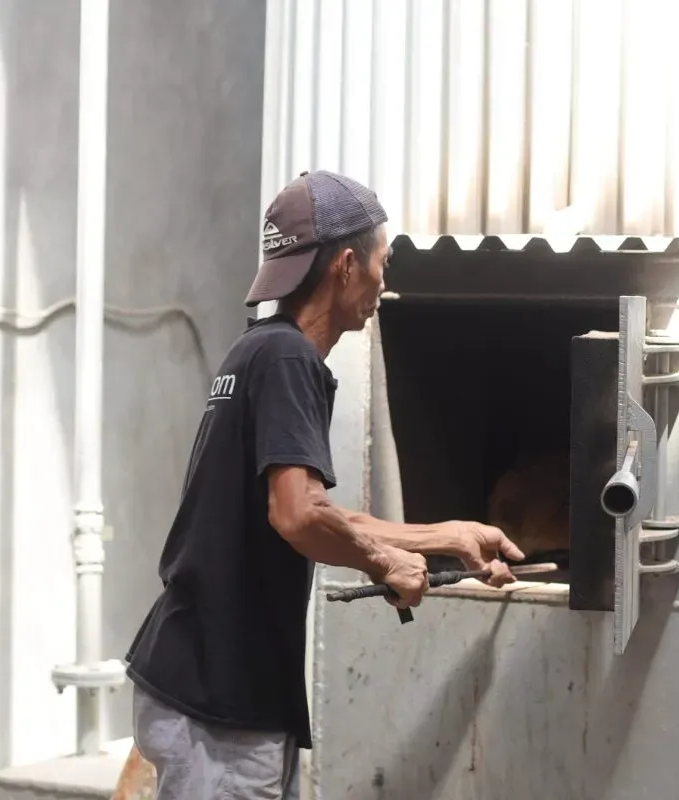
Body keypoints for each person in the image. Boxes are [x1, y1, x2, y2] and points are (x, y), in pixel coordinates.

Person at [120, 170, 525, 800]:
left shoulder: (257, 351)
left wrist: (447, 537)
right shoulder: (289, 361)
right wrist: (384, 561)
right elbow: (298, 516)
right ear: (344, 266)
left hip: (200, 680)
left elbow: (307, 510)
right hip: (220, 698)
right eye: (382, 262)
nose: (384, 282)